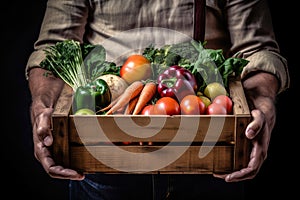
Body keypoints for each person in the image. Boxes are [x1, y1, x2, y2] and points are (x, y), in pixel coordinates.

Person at [26, 0, 290, 199]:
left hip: (208, 158)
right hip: (101, 160)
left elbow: (257, 51)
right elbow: (53, 47)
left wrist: (263, 102)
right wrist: (43, 105)